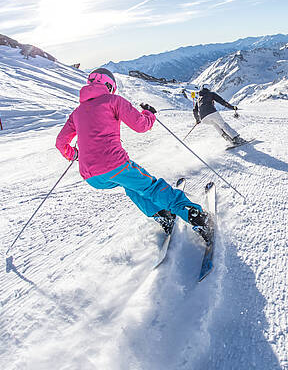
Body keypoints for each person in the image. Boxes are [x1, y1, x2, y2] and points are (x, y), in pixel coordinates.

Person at [55, 68, 212, 244]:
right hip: (114, 165)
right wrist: (149, 114)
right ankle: (196, 217)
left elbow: (61, 143)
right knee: (152, 187)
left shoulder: (77, 112)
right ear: (109, 85)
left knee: (131, 186)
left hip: (92, 177)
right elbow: (140, 125)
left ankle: (163, 215)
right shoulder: (113, 101)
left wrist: (75, 154)